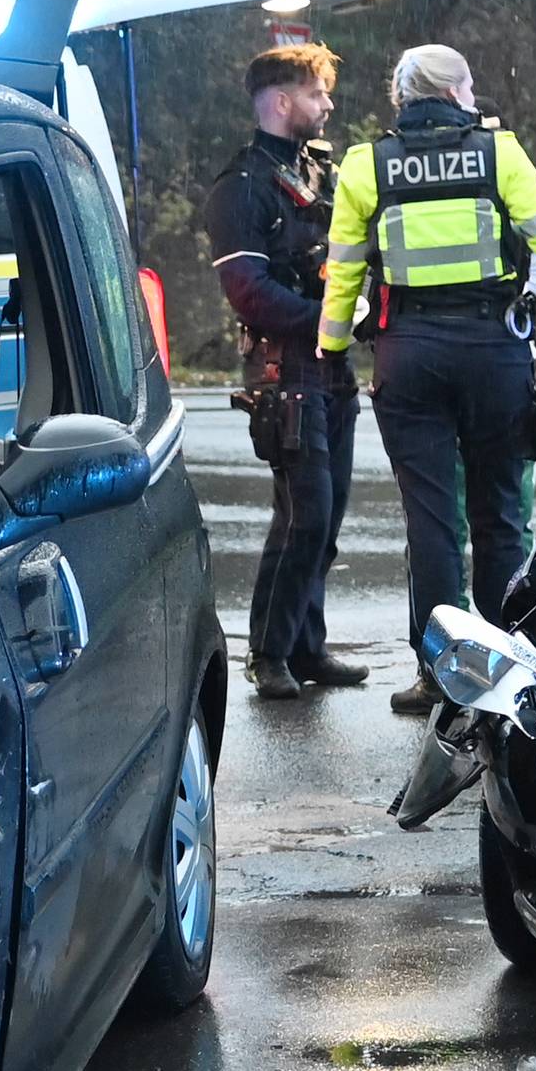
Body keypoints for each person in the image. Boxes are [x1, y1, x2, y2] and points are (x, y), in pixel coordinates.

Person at [316, 44, 536, 715]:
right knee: (500, 516)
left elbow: (345, 270)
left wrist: (330, 347)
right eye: (469, 84)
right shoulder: (499, 153)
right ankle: (507, 663)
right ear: (456, 91)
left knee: (433, 522)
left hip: (407, 354)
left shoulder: (365, 164)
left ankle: (442, 672)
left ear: (402, 97)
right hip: (493, 349)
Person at [205, 43, 370, 700]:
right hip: (285, 373)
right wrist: (331, 321)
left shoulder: (318, 174)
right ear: (281, 102)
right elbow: (248, 291)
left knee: (324, 523)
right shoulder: (240, 188)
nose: (327, 105)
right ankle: (269, 654)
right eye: (316, 94)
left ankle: (308, 647)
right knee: (304, 518)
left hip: (332, 368)